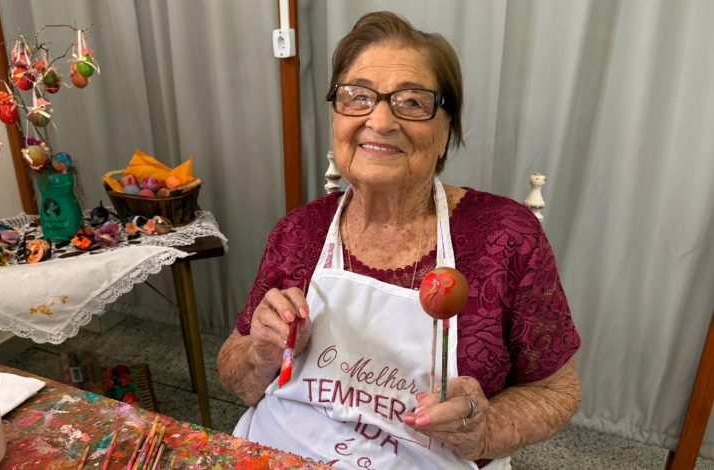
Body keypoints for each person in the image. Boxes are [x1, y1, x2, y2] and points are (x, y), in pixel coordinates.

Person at [218, 11, 581, 469]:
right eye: (357, 96)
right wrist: (261, 353)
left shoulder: (504, 237)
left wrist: (487, 427)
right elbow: (239, 379)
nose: (381, 120)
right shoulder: (298, 232)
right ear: (337, 117)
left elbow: (557, 390)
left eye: (411, 102)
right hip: (282, 451)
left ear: (447, 129)